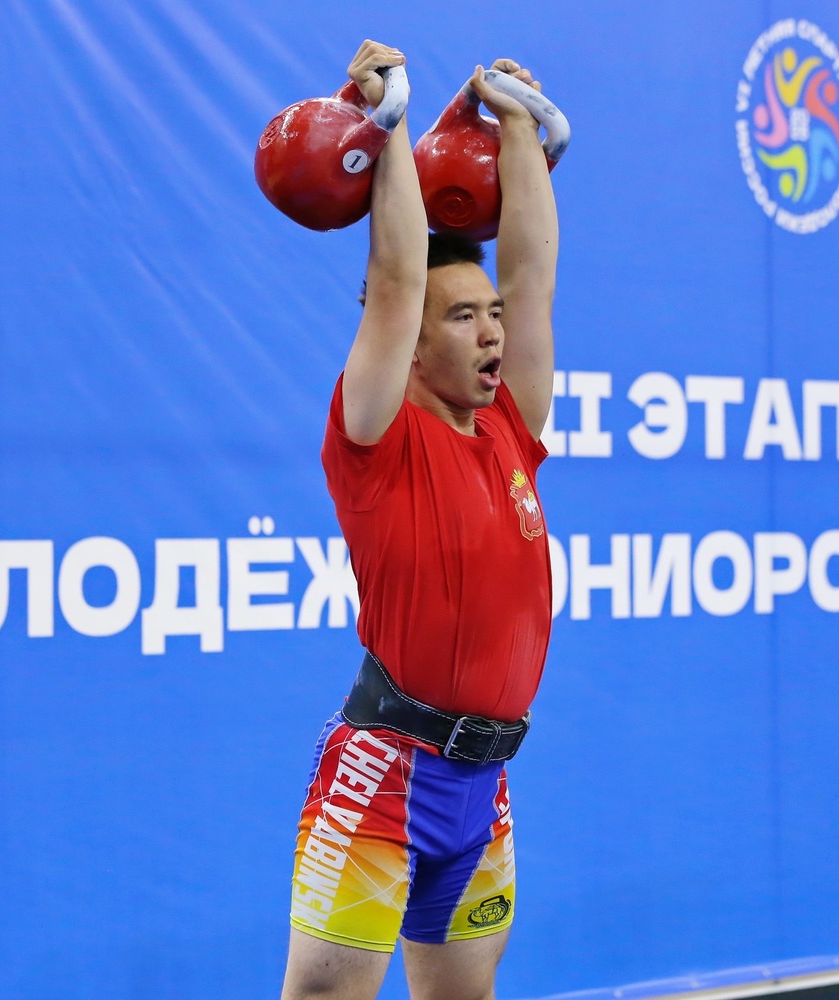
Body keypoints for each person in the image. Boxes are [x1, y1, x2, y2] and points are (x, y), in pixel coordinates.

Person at [279, 40, 560, 1000]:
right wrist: (389, 124)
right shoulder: (376, 435)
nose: (491, 331)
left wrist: (516, 127)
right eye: (461, 317)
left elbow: (532, 279)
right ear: (406, 345)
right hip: (383, 775)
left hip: (483, 787)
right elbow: (397, 280)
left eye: (490, 315)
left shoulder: (510, 428)